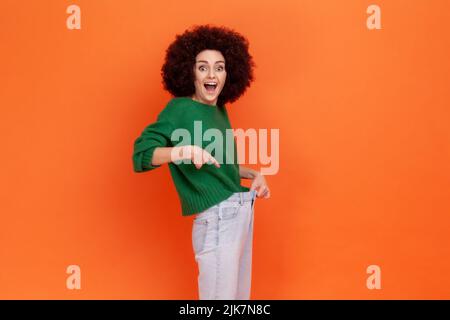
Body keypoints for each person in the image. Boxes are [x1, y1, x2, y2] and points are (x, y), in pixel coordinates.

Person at [132, 24, 270, 300]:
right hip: (217, 217)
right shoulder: (179, 109)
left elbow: (221, 165)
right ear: (190, 73)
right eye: (202, 67)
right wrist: (182, 151)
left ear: (228, 74)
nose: (211, 74)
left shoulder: (219, 110)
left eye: (219, 67)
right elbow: (141, 155)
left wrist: (254, 173)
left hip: (240, 209)